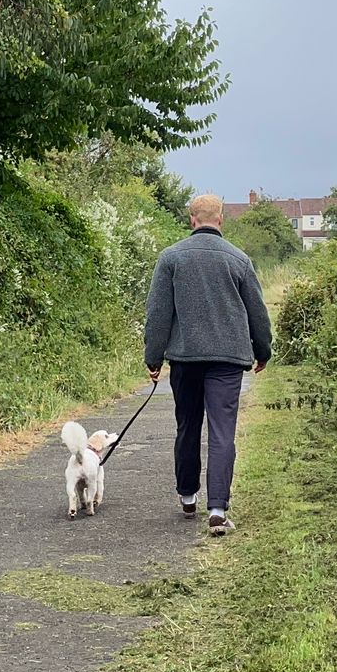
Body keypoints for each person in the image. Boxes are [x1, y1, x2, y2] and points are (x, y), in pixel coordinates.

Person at [142, 193, 272, 535]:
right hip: (228, 360)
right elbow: (257, 311)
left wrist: (153, 358)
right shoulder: (239, 260)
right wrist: (263, 350)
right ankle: (217, 510)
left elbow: (157, 315)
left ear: (192, 220)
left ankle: (187, 497)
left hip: (185, 359)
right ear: (222, 219)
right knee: (221, 432)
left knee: (187, 426)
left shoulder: (170, 258)